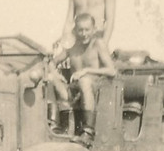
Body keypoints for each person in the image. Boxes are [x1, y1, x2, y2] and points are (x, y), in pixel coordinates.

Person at [44, 13, 116, 144]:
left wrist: (86, 71)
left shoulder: (98, 44)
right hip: (74, 89)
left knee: (85, 81)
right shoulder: (72, 48)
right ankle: (57, 126)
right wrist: (55, 74)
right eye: (80, 30)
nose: (83, 33)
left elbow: (111, 71)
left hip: (95, 88)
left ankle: (88, 131)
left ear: (94, 30)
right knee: (50, 79)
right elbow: (51, 62)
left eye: (87, 29)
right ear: (75, 31)